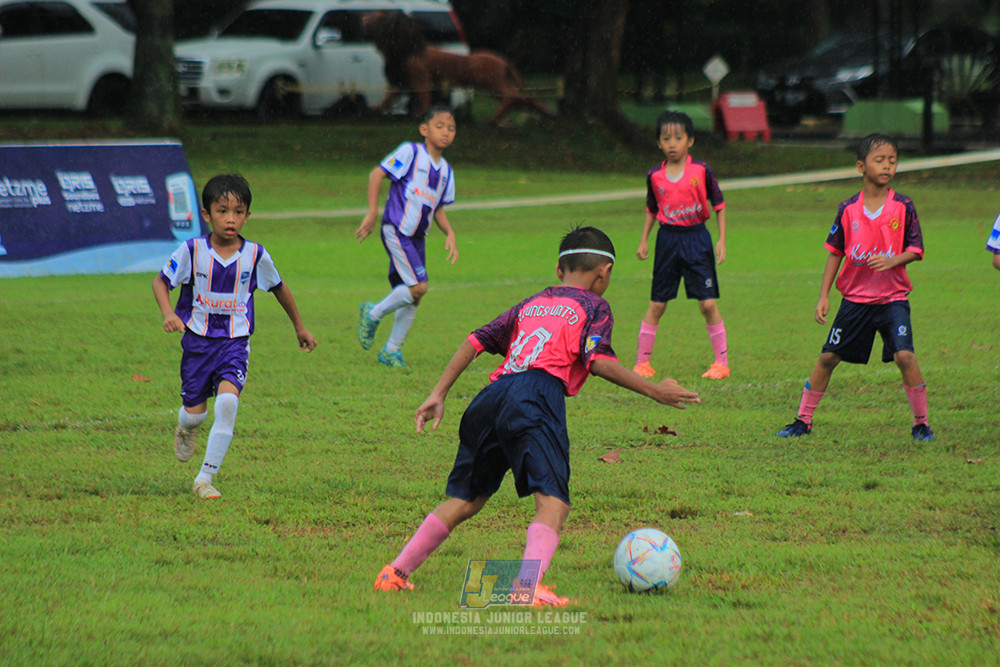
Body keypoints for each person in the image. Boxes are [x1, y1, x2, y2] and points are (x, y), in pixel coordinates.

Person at [373, 226, 700, 605]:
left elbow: (476, 340)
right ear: (603, 273)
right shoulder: (594, 307)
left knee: (466, 499)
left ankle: (394, 571)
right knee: (553, 503)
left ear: (559, 269)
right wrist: (654, 390)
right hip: (536, 396)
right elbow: (598, 362)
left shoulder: (531, 303)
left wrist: (438, 392)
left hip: (491, 397)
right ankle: (525, 588)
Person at [153, 174, 318, 499]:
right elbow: (161, 282)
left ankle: (205, 478)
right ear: (206, 215)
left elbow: (280, 288)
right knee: (195, 414)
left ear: (247, 216)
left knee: (228, 403)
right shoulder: (192, 250)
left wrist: (299, 326)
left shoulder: (255, 255)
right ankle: (185, 427)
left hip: (234, 344)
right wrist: (169, 314)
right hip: (197, 344)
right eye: (222, 210)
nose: (231, 219)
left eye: (238, 211)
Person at [777, 134, 933, 441]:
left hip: (892, 299)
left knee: (905, 356)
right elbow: (835, 251)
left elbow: (916, 249)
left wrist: (893, 260)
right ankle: (802, 421)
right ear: (861, 166)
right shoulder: (848, 209)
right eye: (879, 160)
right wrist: (824, 295)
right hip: (855, 301)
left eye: (892, 160)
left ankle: (921, 424)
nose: (887, 165)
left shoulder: (903, 206)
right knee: (827, 358)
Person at [355, 105, 459, 367]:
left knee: (414, 293)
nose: (446, 132)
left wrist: (449, 233)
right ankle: (373, 312)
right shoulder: (410, 152)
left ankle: (391, 350)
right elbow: (377, 174)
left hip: (417, 239)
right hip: (397, 230)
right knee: (419, 287)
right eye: (439, 126)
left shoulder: (446, 170)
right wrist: (372, 212)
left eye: (451, 128)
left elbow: (438, 208)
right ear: (424, 129)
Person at [633, 110, 730, 381]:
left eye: (678, 137)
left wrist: (721, 239)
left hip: (697, 239)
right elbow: (652, 208)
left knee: (708, 304)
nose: (672, 143)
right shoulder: (654, 175)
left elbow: (719, 205)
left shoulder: (701, 170)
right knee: (657, 304)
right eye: (666, 138)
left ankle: (721, 363)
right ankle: (642, 364)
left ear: (690, 141)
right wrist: (644, 240)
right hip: (667, 241)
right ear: (659, 143)